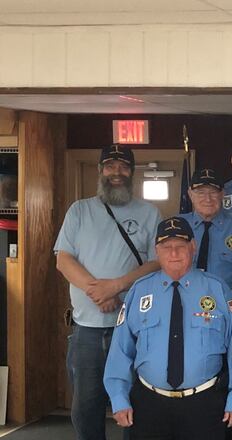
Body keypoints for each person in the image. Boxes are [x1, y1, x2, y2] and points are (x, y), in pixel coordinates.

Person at [54, 144, 161, 440]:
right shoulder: (79, 210)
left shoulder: (150, 213)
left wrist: (116, 286)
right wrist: (98, 291)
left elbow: (156, 263)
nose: (117, 172)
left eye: (124, 166)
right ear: (101, 170)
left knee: (133, 403)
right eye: (111, 166)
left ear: (132, 172)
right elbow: (63, 260)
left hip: (132, 328)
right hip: (86, 330)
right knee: (85, 407)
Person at [103, 216, 232, 439]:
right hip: (149, 405)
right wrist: (119, 398)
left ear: (193, 247)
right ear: (156, 251)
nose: (174, 253)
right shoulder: (139, 292)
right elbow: (121, 351)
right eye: (166, 247)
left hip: (205, 404)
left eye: (180, 246)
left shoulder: (218, 290)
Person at [180, 168, 232, 306]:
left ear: (222, 194)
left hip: (227, 308)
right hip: (184, 304)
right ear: (190, 194)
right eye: (200, 192)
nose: (208, 199)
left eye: (213, 192)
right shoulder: (178, 227)